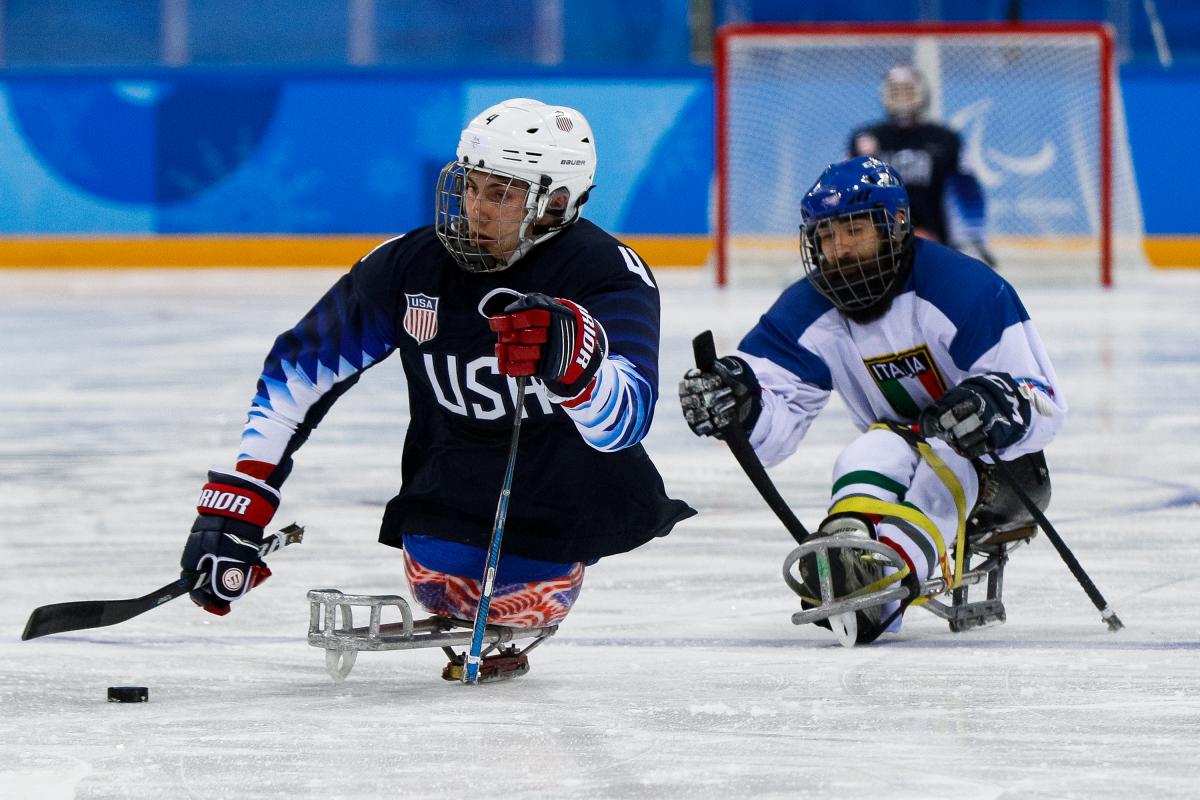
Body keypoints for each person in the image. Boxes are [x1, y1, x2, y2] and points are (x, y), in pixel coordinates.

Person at [179, 98, 695, 672]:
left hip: (570, 500)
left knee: (519, 589)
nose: (476, 208)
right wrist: (240, 505)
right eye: (472, 186)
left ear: (555, 203)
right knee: (441, 575)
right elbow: (298, 372)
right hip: (446, 490)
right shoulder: (411, 265)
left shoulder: (604, 273)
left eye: (501, 194)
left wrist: (579, 365)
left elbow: (626, 424)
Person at [679, 156, 1063, 645]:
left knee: (946, 456)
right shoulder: (808, 308)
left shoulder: (965, 288)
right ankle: (848, 548)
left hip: (1004, 473)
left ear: (896, 225)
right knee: (868, 450)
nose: (838, 250)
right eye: (826, 236)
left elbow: (1045, 400)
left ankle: (883, 582)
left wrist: (996, 403)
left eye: (854, 231)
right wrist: (740, 402)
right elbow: (774, 426)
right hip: (900, 448)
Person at [849, 64, 995, 267]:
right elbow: (849, 195)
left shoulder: (946, 139)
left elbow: (968, 193)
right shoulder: (864, 139)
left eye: (907, 91)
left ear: (922, 93)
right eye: (895, 91)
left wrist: (971, 239)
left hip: (936, 241)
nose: (901, 98)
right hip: (877, 245)